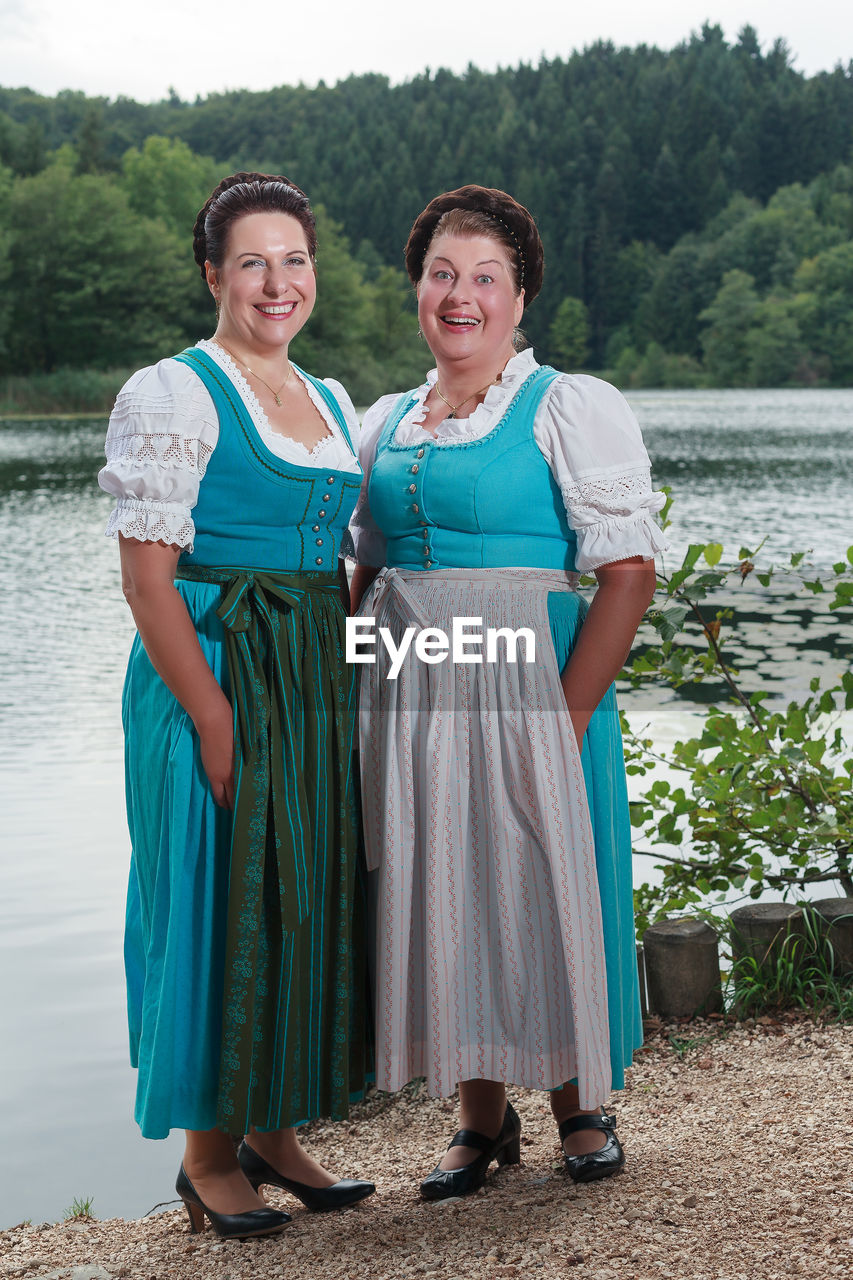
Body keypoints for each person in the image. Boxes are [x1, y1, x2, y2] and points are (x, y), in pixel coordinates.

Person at [349, 185, 667, 1200]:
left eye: (485, 276)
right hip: (410, 689)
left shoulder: (568, 405)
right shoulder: (383, 421)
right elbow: (359, 569)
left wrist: (563, 715)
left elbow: (625, 573)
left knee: (542, 870)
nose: (460, 294)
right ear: (417, 288)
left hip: (531, 678)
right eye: (442, 273)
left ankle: (581, 1101)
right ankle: (479, 1117)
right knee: (439, 877)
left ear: (519, 296)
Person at [99, 172, 374, 1239]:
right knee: (214, 886)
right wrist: (213, 716)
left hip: (309, 669)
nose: (277, 280)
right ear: (214, 274)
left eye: (294, 259)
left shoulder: (335, 397)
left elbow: (342, 560)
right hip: (210, 660)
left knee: (297, 888)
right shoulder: (170, 392)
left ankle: (273, 1130)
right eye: (252, 260)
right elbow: (146, 579)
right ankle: (206, 1155)